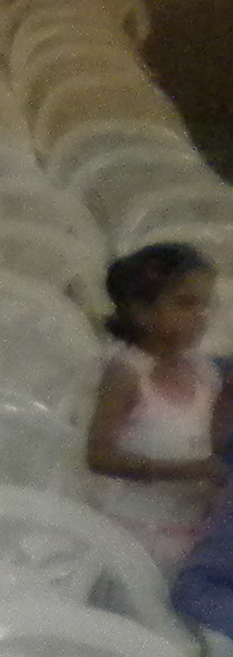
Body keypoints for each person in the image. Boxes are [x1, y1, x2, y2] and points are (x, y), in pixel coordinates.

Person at [86, 242, 223, 570]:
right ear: (141, 311)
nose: (199, 316)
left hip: (190, 529)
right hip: (135, 533)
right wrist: (177, 471)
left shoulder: (204, 373)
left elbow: (209, 443)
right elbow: (98, 456)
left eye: (204, 304)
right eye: (185, 304)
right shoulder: (127, 373)